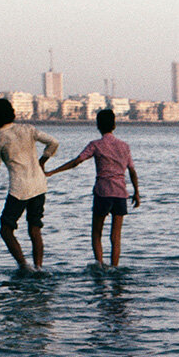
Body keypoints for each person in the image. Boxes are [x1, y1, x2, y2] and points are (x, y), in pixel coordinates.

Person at [46, 108, 140, 267]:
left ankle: (100, 265)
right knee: (116, 236)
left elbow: (77, 161)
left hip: (103, 192)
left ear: (98, 126)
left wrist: (53, 172)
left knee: (96, 233)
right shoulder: (124, 146)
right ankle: (114, 267)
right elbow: (132, 171)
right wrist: (137, 193)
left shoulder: (96, 145)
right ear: (114, 125)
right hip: (120, 193)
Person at [0, 96, 59, 273]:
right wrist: (43, 161)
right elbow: (54, 142)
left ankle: (24, 265)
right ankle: (39, 267)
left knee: (6, 228)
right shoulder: (28, 129)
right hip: (39, 184)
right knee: (35, 227)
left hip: (19, 189)